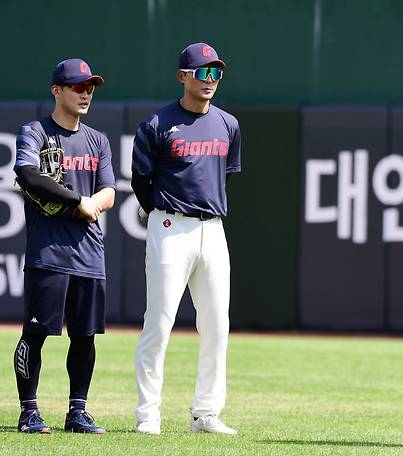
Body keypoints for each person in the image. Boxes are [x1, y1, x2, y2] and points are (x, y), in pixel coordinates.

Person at [131, 42, 241, 435]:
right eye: (203, 72)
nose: (211, 80)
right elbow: (140, 182)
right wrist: (161, 211)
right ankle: (148, 414)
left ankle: (206, 413)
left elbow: (225, 176)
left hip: (212, 229)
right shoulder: (157, 124)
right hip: (169, 226)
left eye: (216, 73)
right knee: (158, 323)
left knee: (217, 325)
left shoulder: (228, 124)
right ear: (183, 76)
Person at [12, 58, 115, 434]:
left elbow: (109, 191)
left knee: (85, 337)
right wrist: (77, 201)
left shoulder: (98, 140)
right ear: (57, 90)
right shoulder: (35, 131)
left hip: (89, 252)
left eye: (90, 87)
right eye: (77, 86)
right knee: (35, 333)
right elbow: (27, 174)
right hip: (49, 251)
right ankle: (28, 412)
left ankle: (77, 412)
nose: (85, 92)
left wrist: (93, 203)